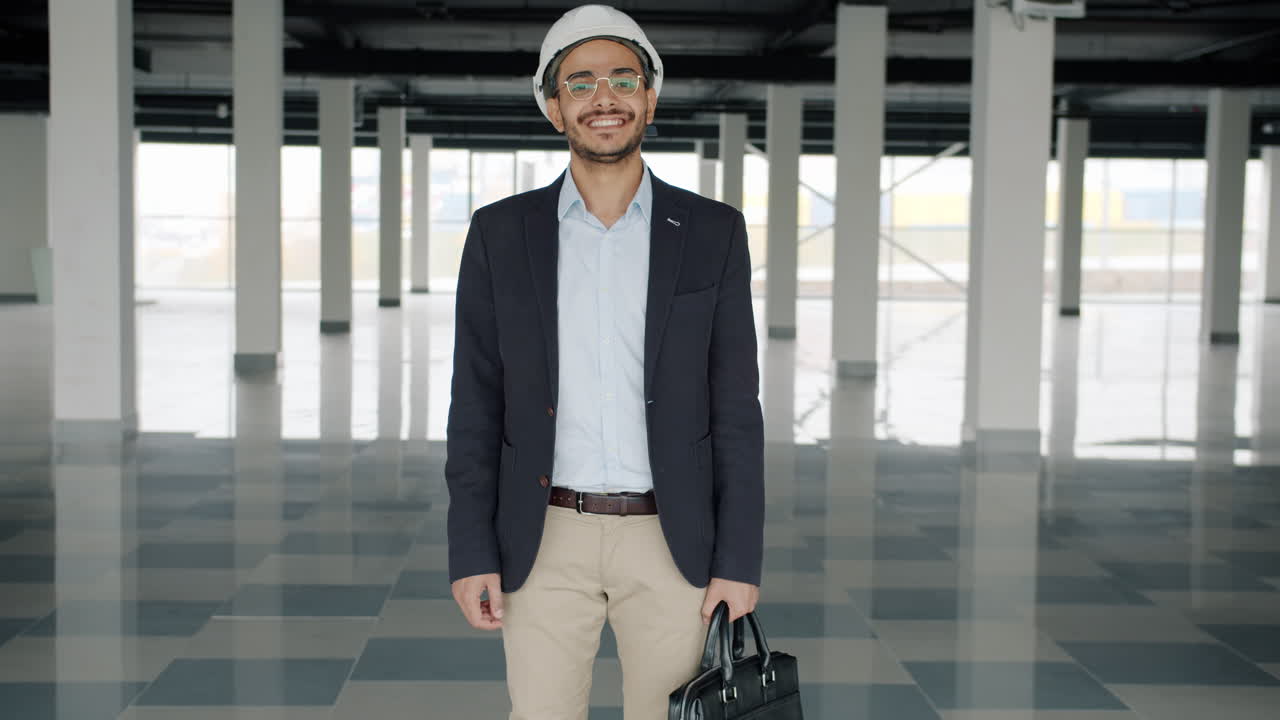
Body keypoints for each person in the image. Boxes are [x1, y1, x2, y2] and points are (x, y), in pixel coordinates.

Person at [445, 5, 765, 719]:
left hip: (673, 539)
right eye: (580, 82)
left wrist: (738, 562)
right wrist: (471, 550)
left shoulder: (713, 232)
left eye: (624, 78)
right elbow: (476, 401)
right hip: (543, 537)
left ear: (650, 97)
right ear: (554, 108)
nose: (604, 98)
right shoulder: (500, 234)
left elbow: (737, 412)